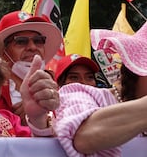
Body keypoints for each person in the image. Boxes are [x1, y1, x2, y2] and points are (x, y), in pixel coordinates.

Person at [55, 21, 147, 156]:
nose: (83, 80)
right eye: (74, 76)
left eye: (89, 76)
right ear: (133, 69)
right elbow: (82, 136)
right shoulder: (81, 94)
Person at [0, 10, 63, 125]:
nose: (32, 47)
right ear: (3, 51)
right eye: (21, 42)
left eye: (38, 41)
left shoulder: (60, 90)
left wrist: (42, 117)